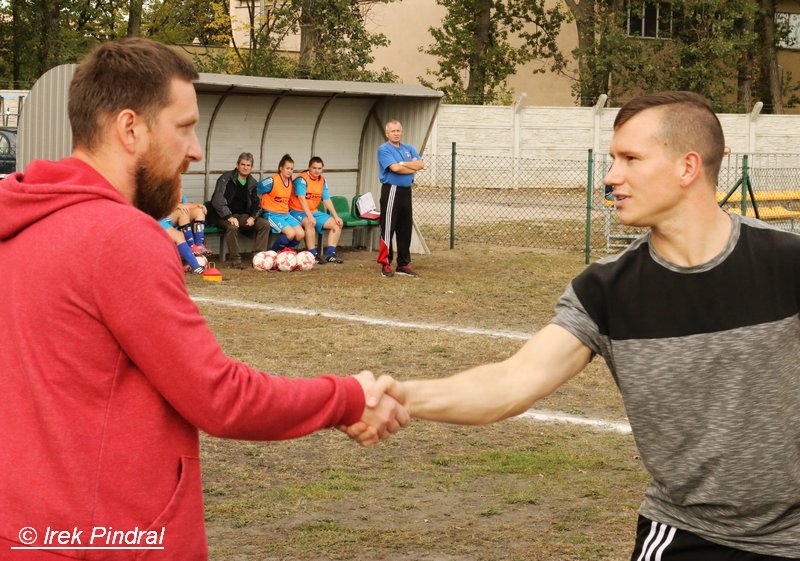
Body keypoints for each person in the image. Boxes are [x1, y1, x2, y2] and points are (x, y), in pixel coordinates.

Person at [0, 38, 407, 561]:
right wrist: (346, 397)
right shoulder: (119, 238)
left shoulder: (20, 216)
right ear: (130, 128)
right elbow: (220, 397)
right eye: (185, 127)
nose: (195, 149)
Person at [355, 92, 800, 560]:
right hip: (689, 535)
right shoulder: (605, 290)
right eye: (612, 159)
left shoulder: (786, 264)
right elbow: (511, 382)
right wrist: (402, 396)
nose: (610, 176)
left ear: (687, 167)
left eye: (630, 159)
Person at [376, 119, 424, 278]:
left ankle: (403, 264)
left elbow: (421, 165)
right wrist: (410, 166)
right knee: (388, 227)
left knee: (405, 228)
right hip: (392, 190)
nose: (396, 134)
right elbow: (395, 168)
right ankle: (385, 263)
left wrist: (403, 163)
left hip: (406, 191)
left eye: (398, 131)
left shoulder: (408, 148)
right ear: (387, 133)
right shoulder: (384, 149)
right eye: (393, 131)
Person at [210, 152, 270, 269]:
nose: (245, 167)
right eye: (242, 164)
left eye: (248, 165)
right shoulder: (225, 179)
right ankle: (236, 261)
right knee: (232, 227)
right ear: (237, 165)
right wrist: (229, 216)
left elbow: (257, 204)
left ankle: (258, 259)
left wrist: (253, 217)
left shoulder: (253, 183)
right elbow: (217, 200)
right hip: (223, 216)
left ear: (251, 167)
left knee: (264, 224)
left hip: (242, 216)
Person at [290, 156, 345, 264]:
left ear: (322, 169)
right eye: (314, 168)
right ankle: (313, 255)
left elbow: (326, 199)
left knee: (337, 224)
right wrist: (310, 216)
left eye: (319, 168)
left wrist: (336, 216)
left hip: (313, 211)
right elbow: (301, 199)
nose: (317, 171)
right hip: (297, 211)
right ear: (309, 167)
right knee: (309, 222)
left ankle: (330, 255)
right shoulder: (302, 179)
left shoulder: (322, 180)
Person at [258, 154, 305, 252]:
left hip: (285, 214)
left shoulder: (290, 182)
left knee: (300, 234)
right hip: (271, 214)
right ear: (281, 168)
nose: (290, 171)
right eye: (287, 168)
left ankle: (284, 251)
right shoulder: (272, 180)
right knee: (291, 233)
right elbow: (255, 188)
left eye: (291, 169)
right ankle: (273, 253)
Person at [159, 191, 211, 274]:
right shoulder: (155, 189)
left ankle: (198, 245)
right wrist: (175, 206)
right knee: (179, 235)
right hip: (156, 220)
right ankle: (195, 265)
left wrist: (197, 205)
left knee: (199, 210)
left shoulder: (176, 189)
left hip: (171, 220)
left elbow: (185, 205)